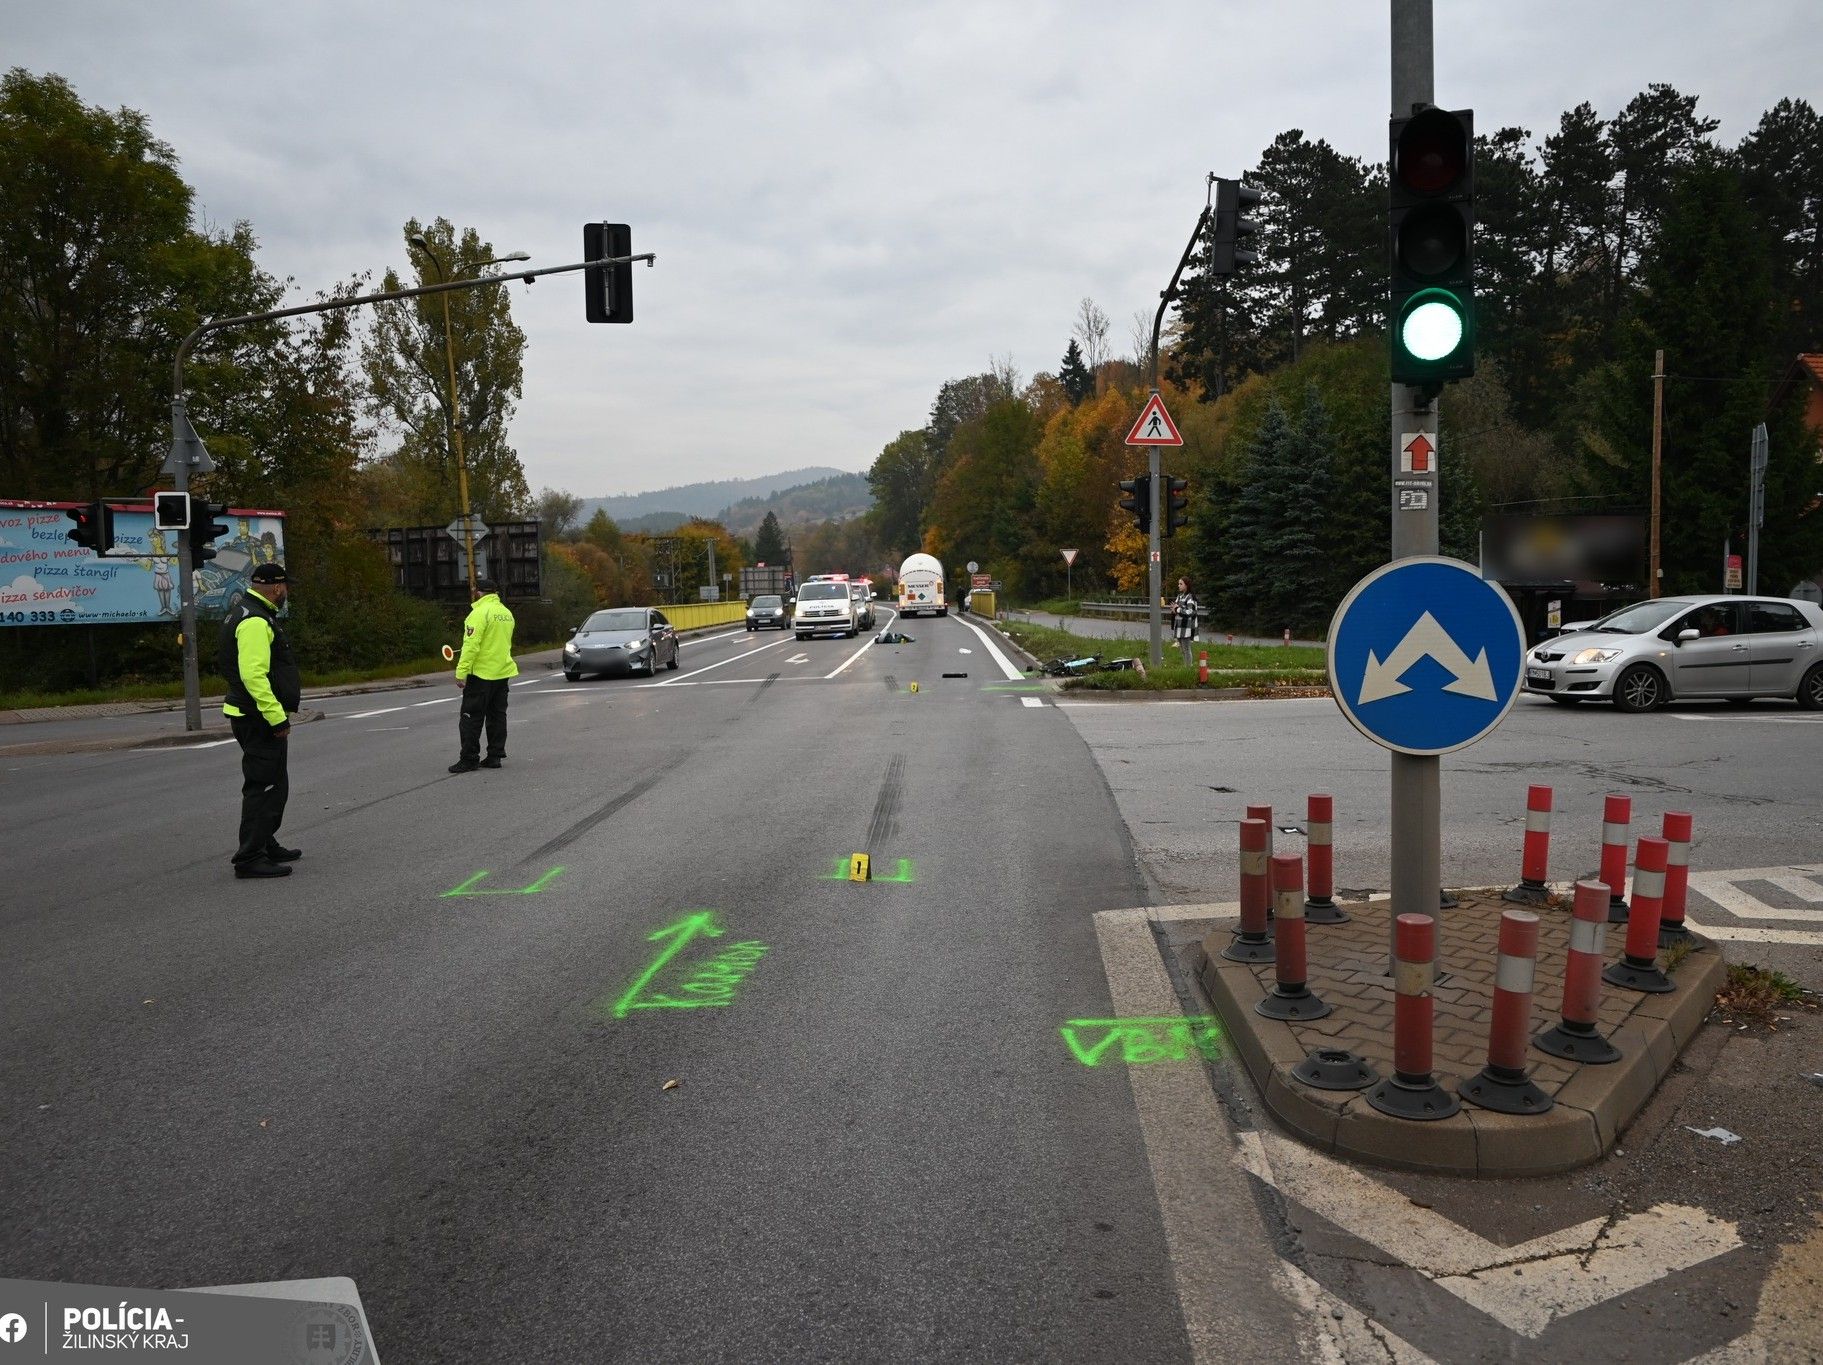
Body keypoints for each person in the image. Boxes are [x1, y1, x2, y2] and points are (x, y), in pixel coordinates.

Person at [221, 562, 302, 878]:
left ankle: (265, 842)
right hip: (257, 717)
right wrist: (276, 717)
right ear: (277, 587)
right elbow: (253, 675)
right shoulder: (255, 620)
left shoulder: (247, 612)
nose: (287, 591)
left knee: (275, 784)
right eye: (286, 586)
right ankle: (250, 857)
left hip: (253, 714)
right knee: (264, 786)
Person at [450, 576, 517, 773]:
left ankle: (469, 758)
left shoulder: (478, 613)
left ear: (477, 592)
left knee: (470, 717)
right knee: (497, 716)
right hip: (502, 673)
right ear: (495, 592)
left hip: (481, 674)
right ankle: (495, 756)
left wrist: (461, 672)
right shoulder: (506, 613)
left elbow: (471, 645)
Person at [1171, 576, 1200, 667]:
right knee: (1182, 649)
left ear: (1186, 585)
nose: (1178, 585)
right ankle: (1186, 667)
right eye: (1178, 584)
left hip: (1186, 627)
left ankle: (1188, 668)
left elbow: (1190, 612)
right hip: (1179, 626)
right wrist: (1174, 610)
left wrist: (1178, 609)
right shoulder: (1179, 596)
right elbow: (1175, 608)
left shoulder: (1190, 597)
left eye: (1181, 584)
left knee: (1186, 649)